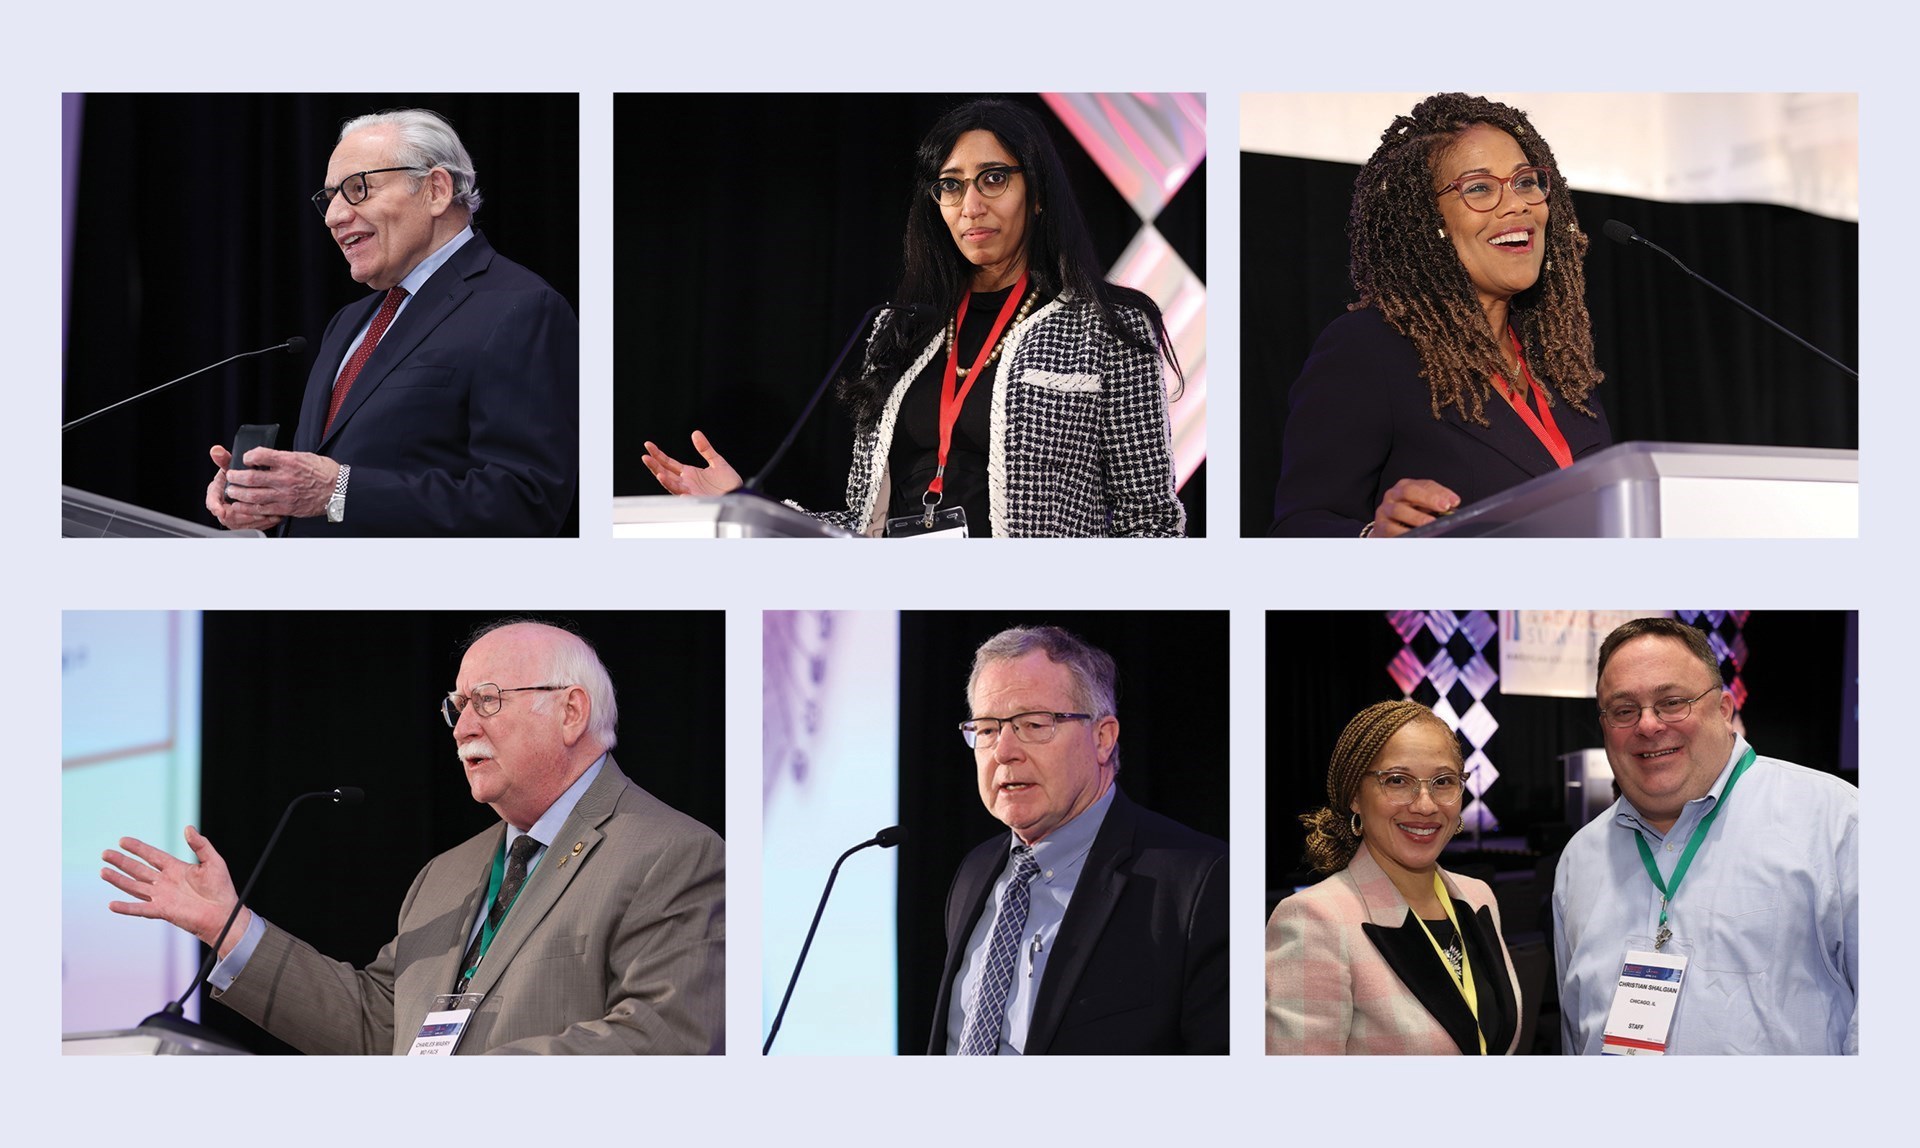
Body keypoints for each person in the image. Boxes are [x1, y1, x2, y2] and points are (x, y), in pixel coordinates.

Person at [99, 620, 724, 1054]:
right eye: (457, 707)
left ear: (570, 712)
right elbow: (384, 1031)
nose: (461, 728)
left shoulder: (672, 853)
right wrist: (229, 930)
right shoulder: (445, 875)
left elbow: (663, 1040)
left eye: (487, 700)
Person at [641, 99, 1186, 537]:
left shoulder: (1110, 325)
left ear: (1037, 192)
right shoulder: (898, 328)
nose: (970, 205)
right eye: (951, 185)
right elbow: (858, 528)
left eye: (993, 179)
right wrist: (746, 509)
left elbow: (1152, 523)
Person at [207, 108, 578, 536]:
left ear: (436, 190)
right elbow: (340, 478)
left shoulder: (522, 308)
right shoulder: (348, 323)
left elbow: (526, 501)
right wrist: (269, 494)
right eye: (329, 199)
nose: (333, 218)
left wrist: (337, 490)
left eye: (357, 189)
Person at [1271, 93, 1611, 537]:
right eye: (1479, 188)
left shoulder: (1560, 363)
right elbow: (1296, 531)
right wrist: (1373, 542)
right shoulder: (1369, 349)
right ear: (1427, 221)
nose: (1518, 205)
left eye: (1526, 181)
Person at [1554, 617, 1857, 1054]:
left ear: (1723, 710)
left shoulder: (1835, 823)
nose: (1648, 725)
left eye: (1672, 702)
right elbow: (1573, 1031)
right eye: (1623, 710)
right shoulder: (1579, 859)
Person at [928, 626, 1225, 1054]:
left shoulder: (1198, 884)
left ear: (1103, 737)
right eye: (988, 729)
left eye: (1033, 723)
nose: (1004, 751)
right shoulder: (974, 871)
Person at [1267, 700, 1522, 1054]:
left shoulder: (1477, 897)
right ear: (1355, 794)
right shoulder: (1315, 921)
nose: (1425, 804)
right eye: (1398, 781)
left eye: (1443, 781)